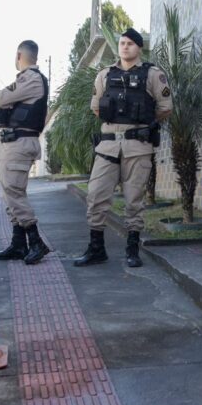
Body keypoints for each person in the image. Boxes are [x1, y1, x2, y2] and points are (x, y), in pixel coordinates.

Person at [74, 28, 172, 268]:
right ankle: (96, 248)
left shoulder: (153, 75)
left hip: (138, 147)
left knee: (134, 200)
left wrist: (142, 124)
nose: (125, 47)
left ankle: (132, 249)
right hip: (108, 146)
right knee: (96, 195)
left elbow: (165, 107)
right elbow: (96, 108)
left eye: (130, 43)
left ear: (139, 47)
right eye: (122, 43)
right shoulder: (105, 75)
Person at [0, 40, 50, 264]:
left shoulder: (31, 78)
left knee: (14, 193)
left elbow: (2, 98)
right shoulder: (27, 80)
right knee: (10, 194)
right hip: (13, 143)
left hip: (19, 142)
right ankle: (18, 243)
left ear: (19, 55)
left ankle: (36, 242)